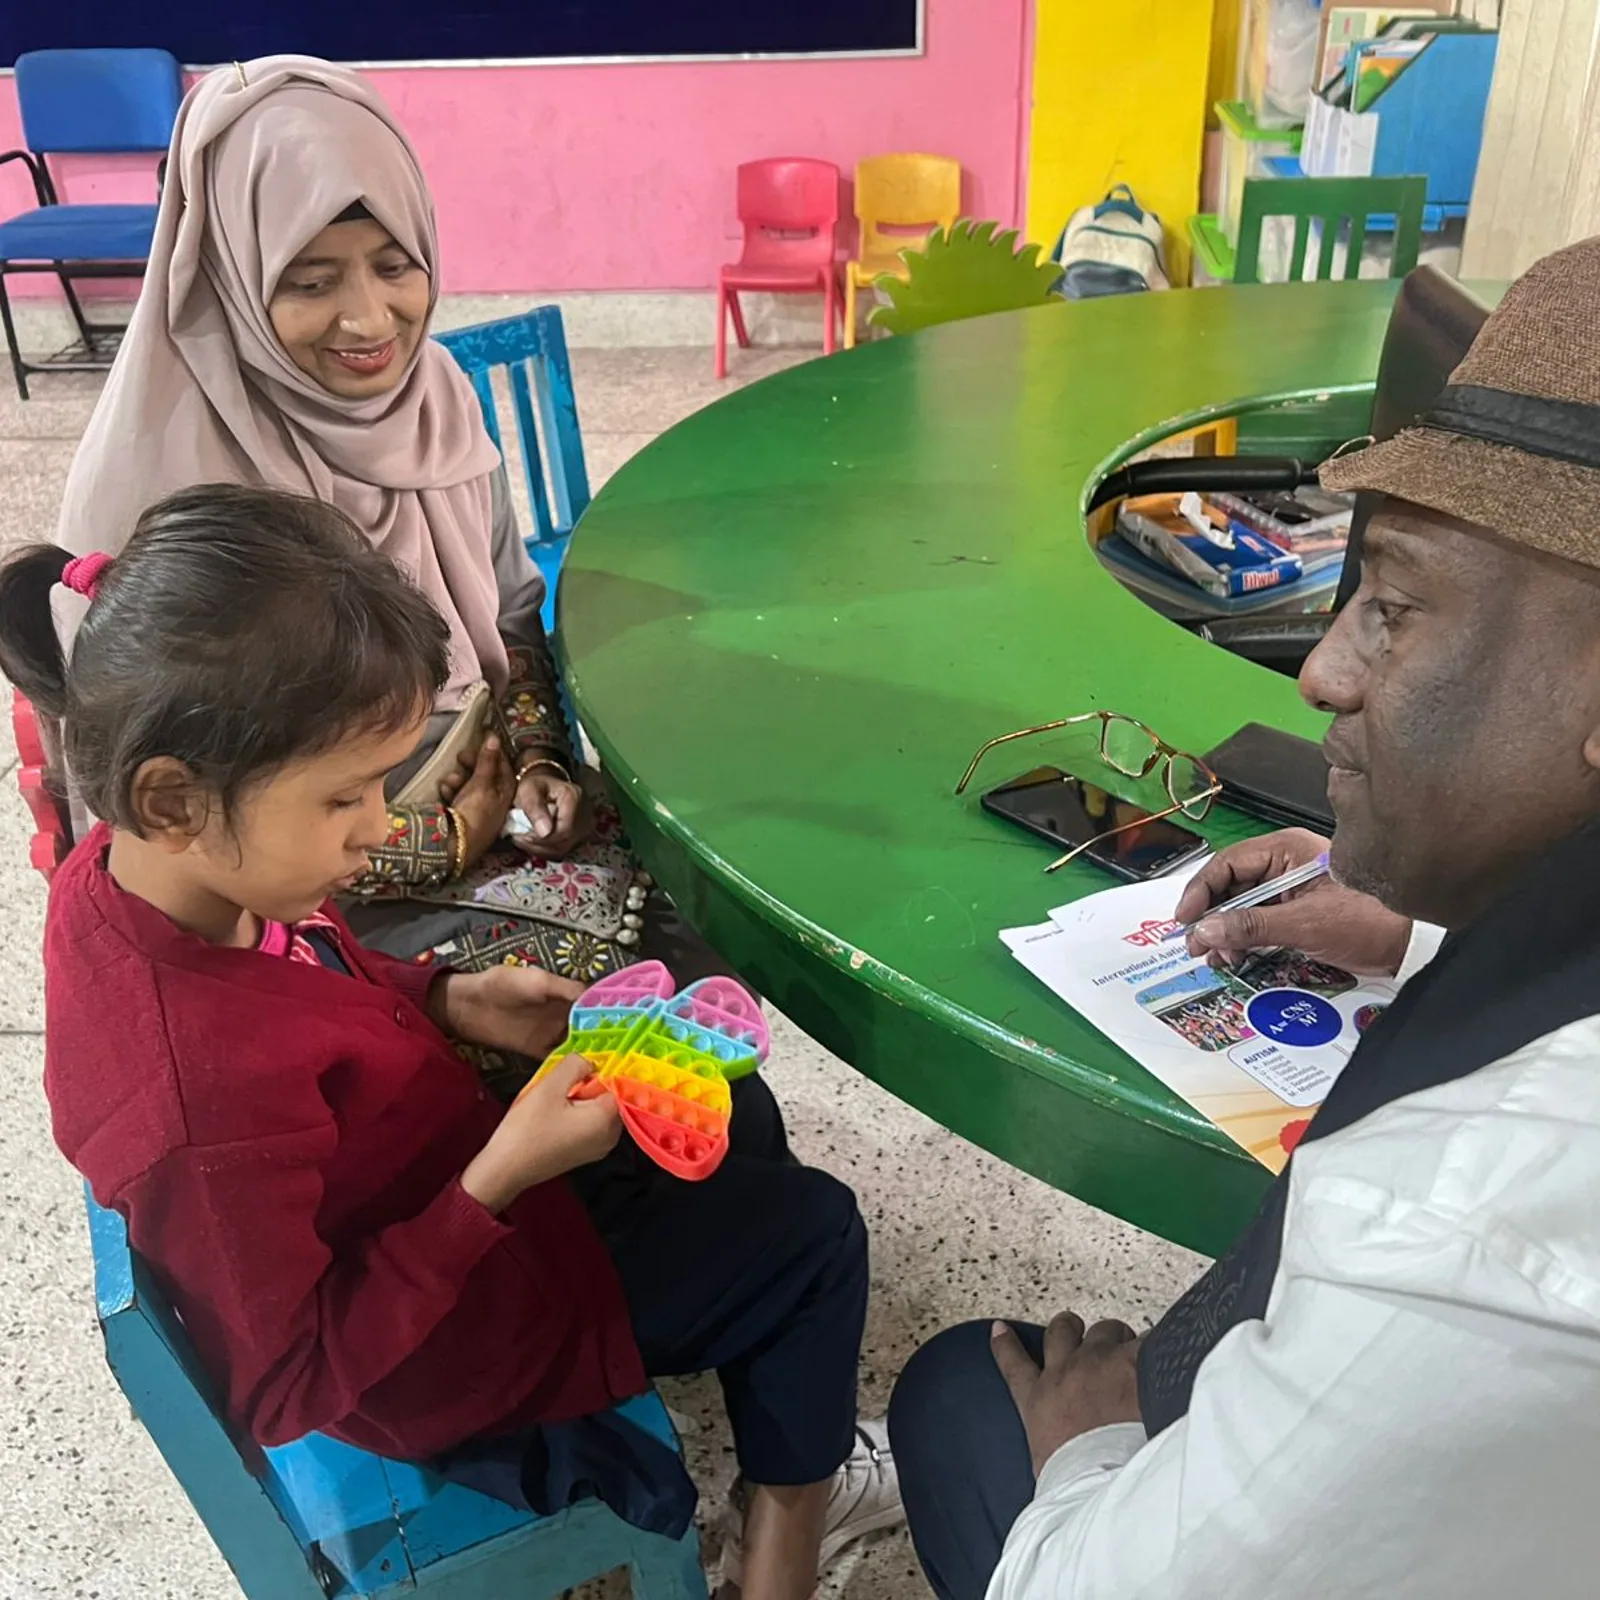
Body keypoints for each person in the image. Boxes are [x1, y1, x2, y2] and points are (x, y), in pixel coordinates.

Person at [1, 484, 900, 1600]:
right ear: (175, 799)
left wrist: (447, 998)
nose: (384, 828)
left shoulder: (143, 875)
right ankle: (786, 1542)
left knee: (731, 1109)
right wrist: (500, 1174)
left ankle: (767, 1384)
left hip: (440, 1199)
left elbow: (315, 964)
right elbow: (293, 1382)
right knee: (815, 1236)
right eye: (347, 798)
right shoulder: (196, 1107)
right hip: (448, 1346)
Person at [888, 234, 1600, 1598]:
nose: (1323, 670)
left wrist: (1090, 1450)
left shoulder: (1466, 1225)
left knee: (959, 1397)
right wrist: (1416, 929)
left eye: (1393, 606)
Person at [52, 56, 703, 1018]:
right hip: (296, 882)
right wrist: (444, 838)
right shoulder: (179, 480)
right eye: (311, 281)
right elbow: (188, 821)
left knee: (694, 902)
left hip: (478, 789)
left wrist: (537, 766)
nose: (370, 318)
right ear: (230, 275)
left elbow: (512, 621)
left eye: (395, 266)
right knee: (600, 997)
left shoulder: (433, 402)